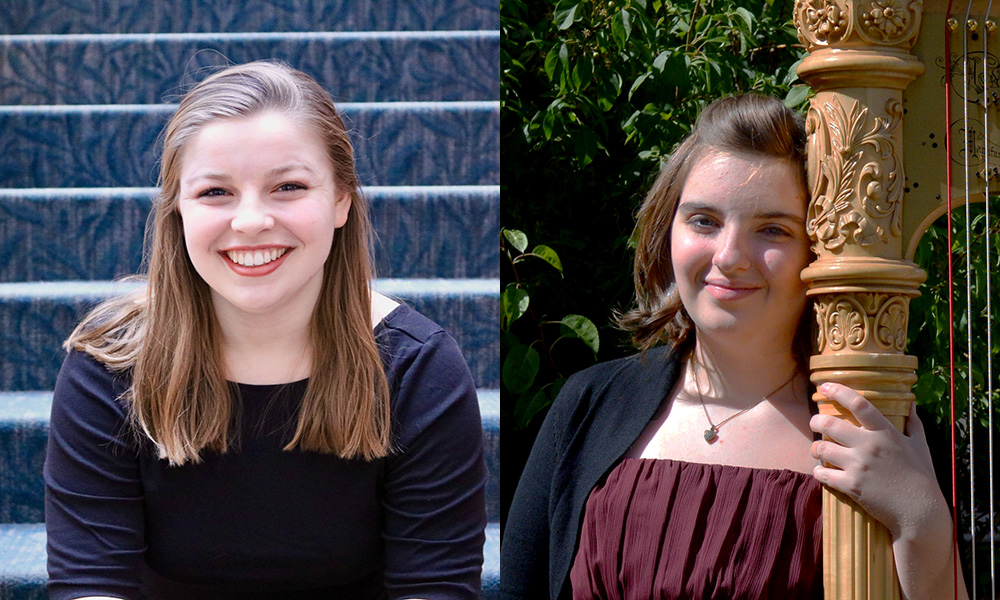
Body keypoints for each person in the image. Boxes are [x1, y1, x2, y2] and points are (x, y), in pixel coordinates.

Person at [44, 60, 487, 600]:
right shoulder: (109, 365)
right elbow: (90, 586)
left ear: (341, 199)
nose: (250, 220)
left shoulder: (419, 367)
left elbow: (435, 588)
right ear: (178, 210)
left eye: (288, 186)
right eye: (215, 193)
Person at [500, 94, 964, 600]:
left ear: (819, 249)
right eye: (704, 221)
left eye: (772, 229)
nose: (730, 257)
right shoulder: (588, 405)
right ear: (667, 231)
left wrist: (921, 519)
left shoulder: (877, 434)